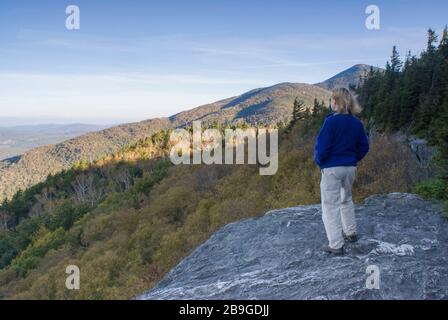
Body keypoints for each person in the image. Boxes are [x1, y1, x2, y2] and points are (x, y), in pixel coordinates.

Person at [314, 87, 369, 255]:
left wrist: (320, 162)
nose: (331, 102)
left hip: (332, 168)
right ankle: (351, 233)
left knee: (330, 206)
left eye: (331, 99)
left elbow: (322, 147)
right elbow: (364, 146)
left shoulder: (330, 122)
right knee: (346, 199)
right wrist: (353, 159)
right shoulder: (356, 123)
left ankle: (336, 245)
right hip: (350, 167)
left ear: (336, 102)